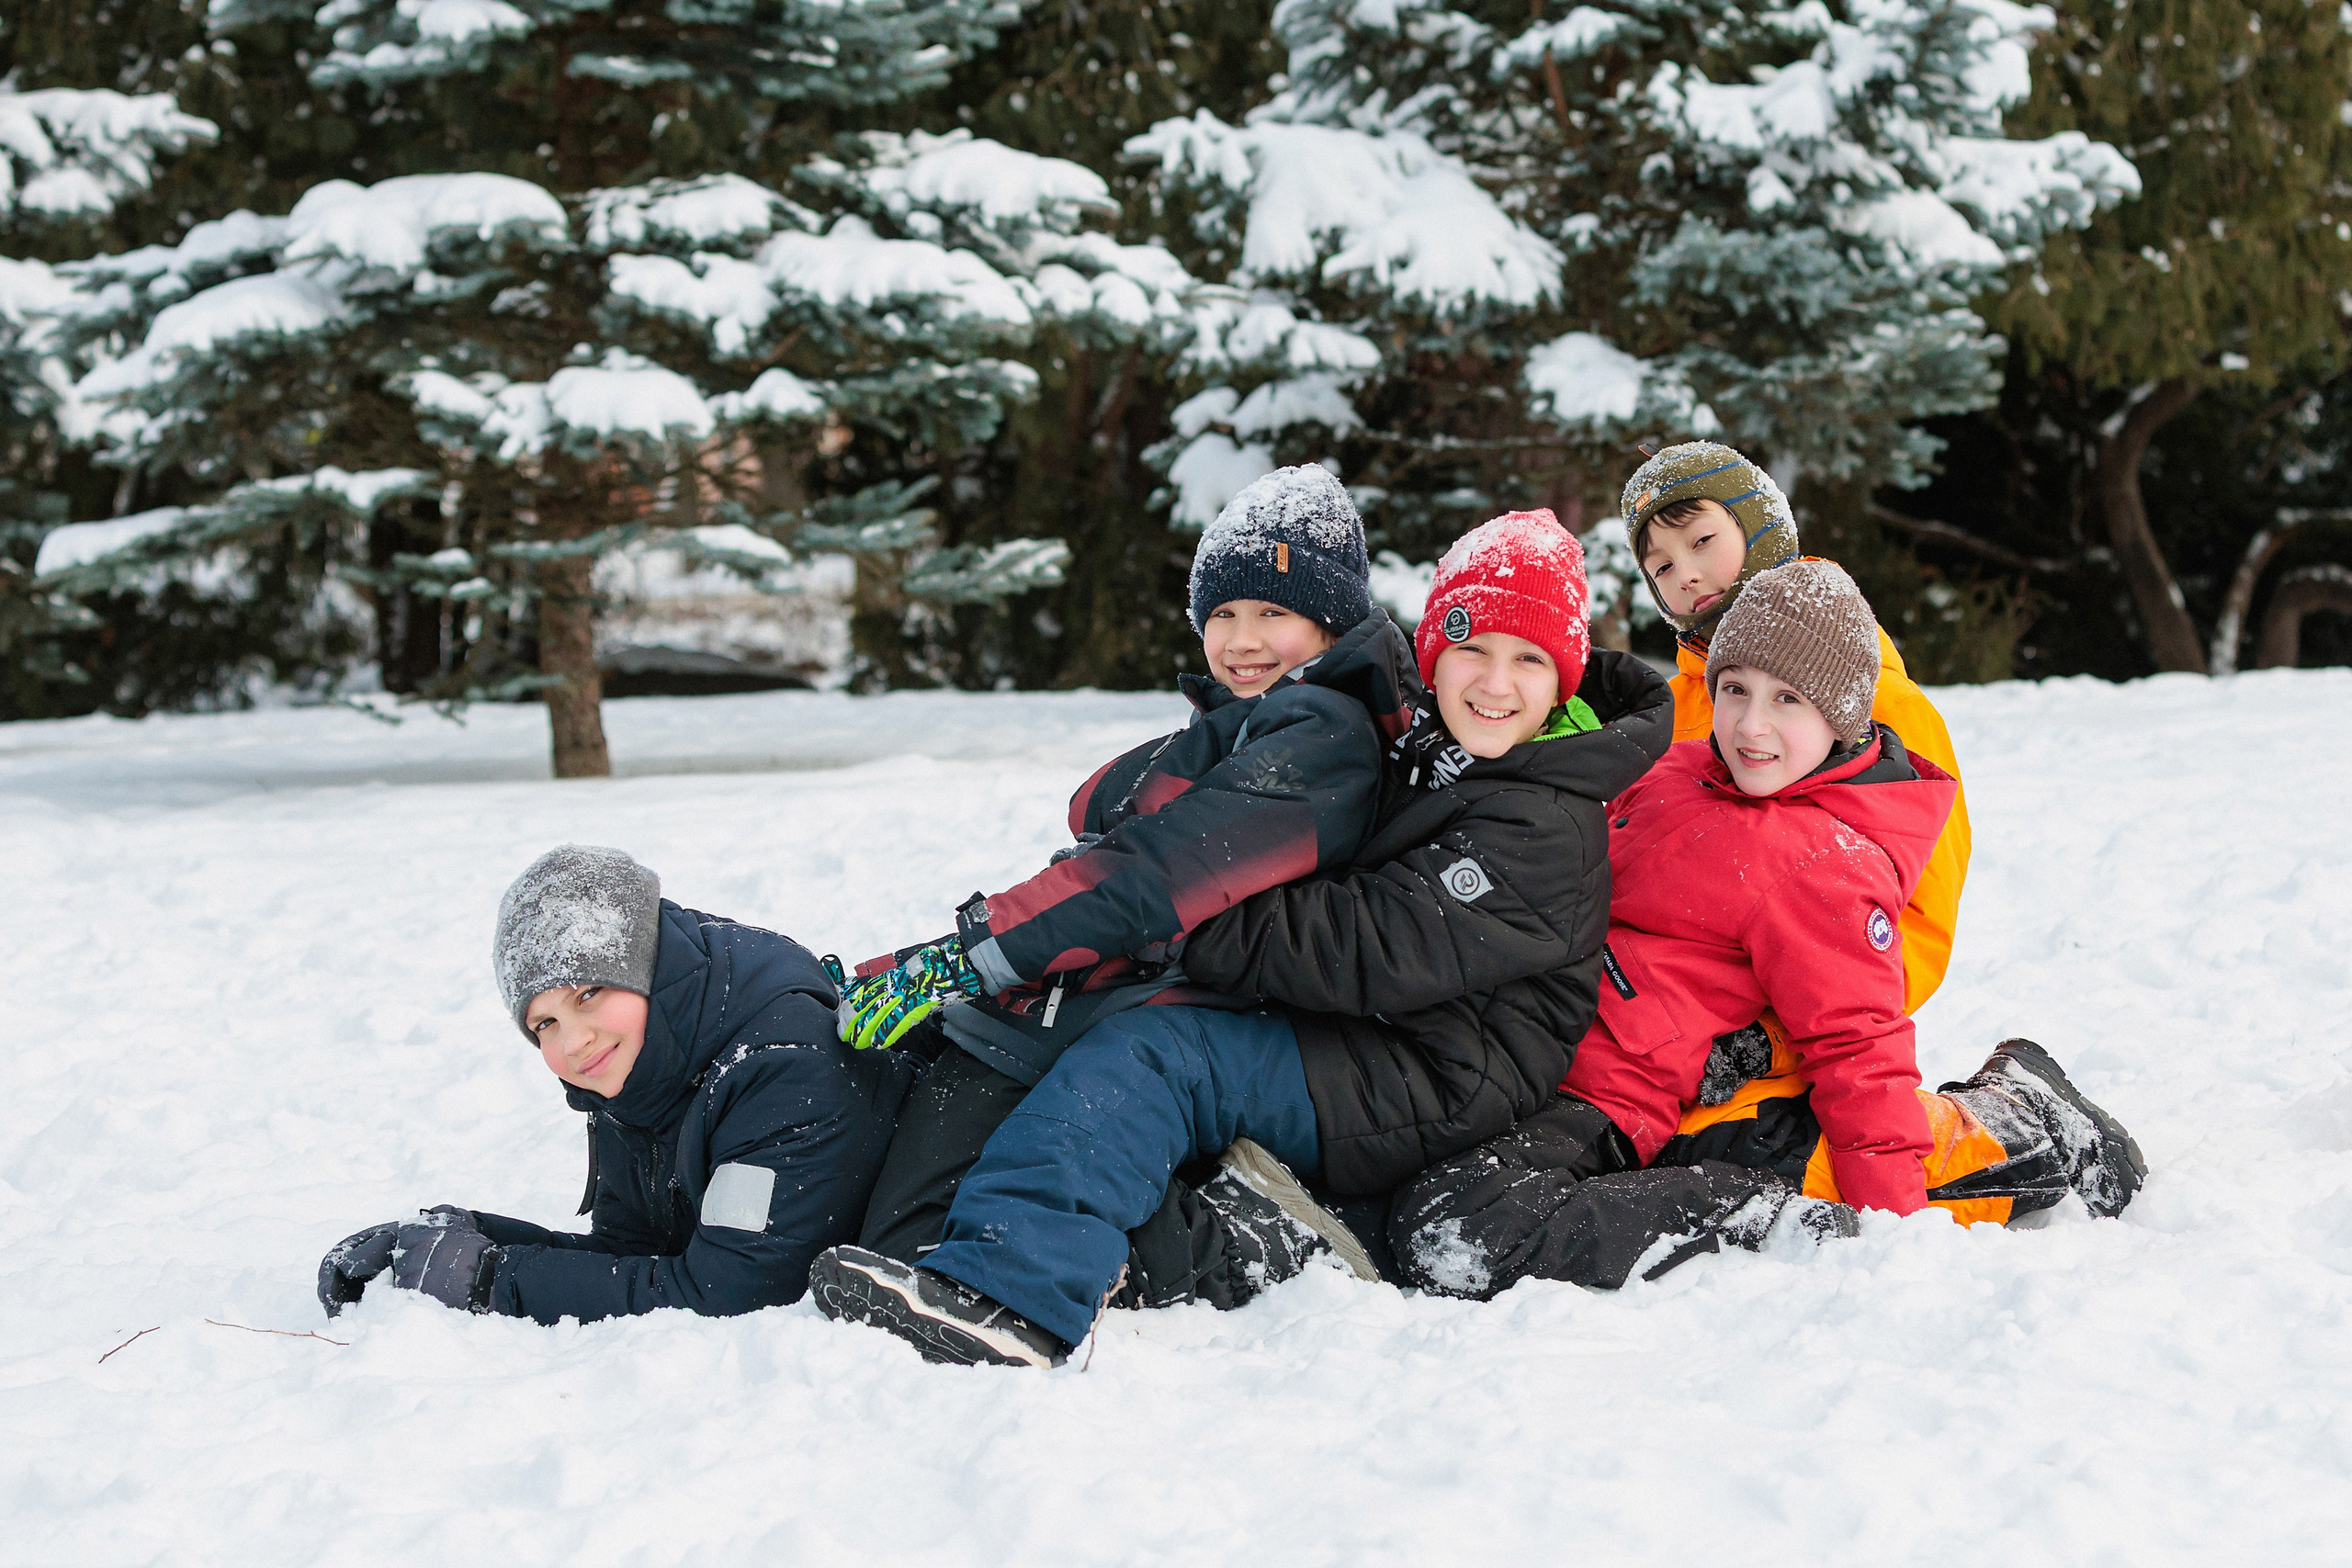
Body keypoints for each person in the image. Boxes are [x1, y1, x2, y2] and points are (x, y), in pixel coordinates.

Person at [808, 510, 1675, 1366]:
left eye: (1529, 660)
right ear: (1431, 656)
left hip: (1437, 1070)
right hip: (1367, 1032)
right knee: (1114, 1041)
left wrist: (1178, 900)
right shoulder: (1433, 748)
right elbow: (1116, 800)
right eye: (1472, 650)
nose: (1495, 680)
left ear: (1562, 680)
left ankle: (1015, 1293)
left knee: (1159, 1058)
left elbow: (1363, 949)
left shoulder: (1546, 820)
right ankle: (1116, 1234)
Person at [1385, 560, 2145, 1297]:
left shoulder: (1822, 860)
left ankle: (2003, 1133)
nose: (1751, 725)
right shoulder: (1675, 771)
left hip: (1612, 1096)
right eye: (1736, 690)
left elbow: (1860, 1049)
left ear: (1842, 715)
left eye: (1789, 700)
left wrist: (1893, 1236)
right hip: (1535, 1042)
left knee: (1454, 1228)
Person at [842, 465, 1419, 1290]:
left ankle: (1245, 1234)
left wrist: (959, 957)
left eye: (1273, 612)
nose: (1242, 639)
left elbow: (1151, 876)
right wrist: (908, 964)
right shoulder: (1239, 725)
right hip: (1116, 994)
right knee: (907, 1148)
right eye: (1222, 613)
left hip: (1193, 1015)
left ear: (1330, 625)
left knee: (914, 1232)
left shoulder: (1323, 732)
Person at [315, 846, 913, 1324]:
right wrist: (460, 1236)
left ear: (648, 967)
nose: (574, 1041)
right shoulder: (639, 1070)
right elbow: (635, 1257)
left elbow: (731, 1291)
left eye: (589, 993)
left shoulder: (779, 1059)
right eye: (545, 1022)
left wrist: (490, 1278)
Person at [1621, 439, 1975, 1161]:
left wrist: (1770, 1043)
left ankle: (2002, 1141)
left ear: (1759, 527)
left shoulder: (1876, 702)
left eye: (1702, 540)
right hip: (1673, 1033)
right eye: (1660, 565)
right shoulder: (1673, 713)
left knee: (1767, 1162)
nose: (1685, 573)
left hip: (1800, 1038)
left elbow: (1916, 920)